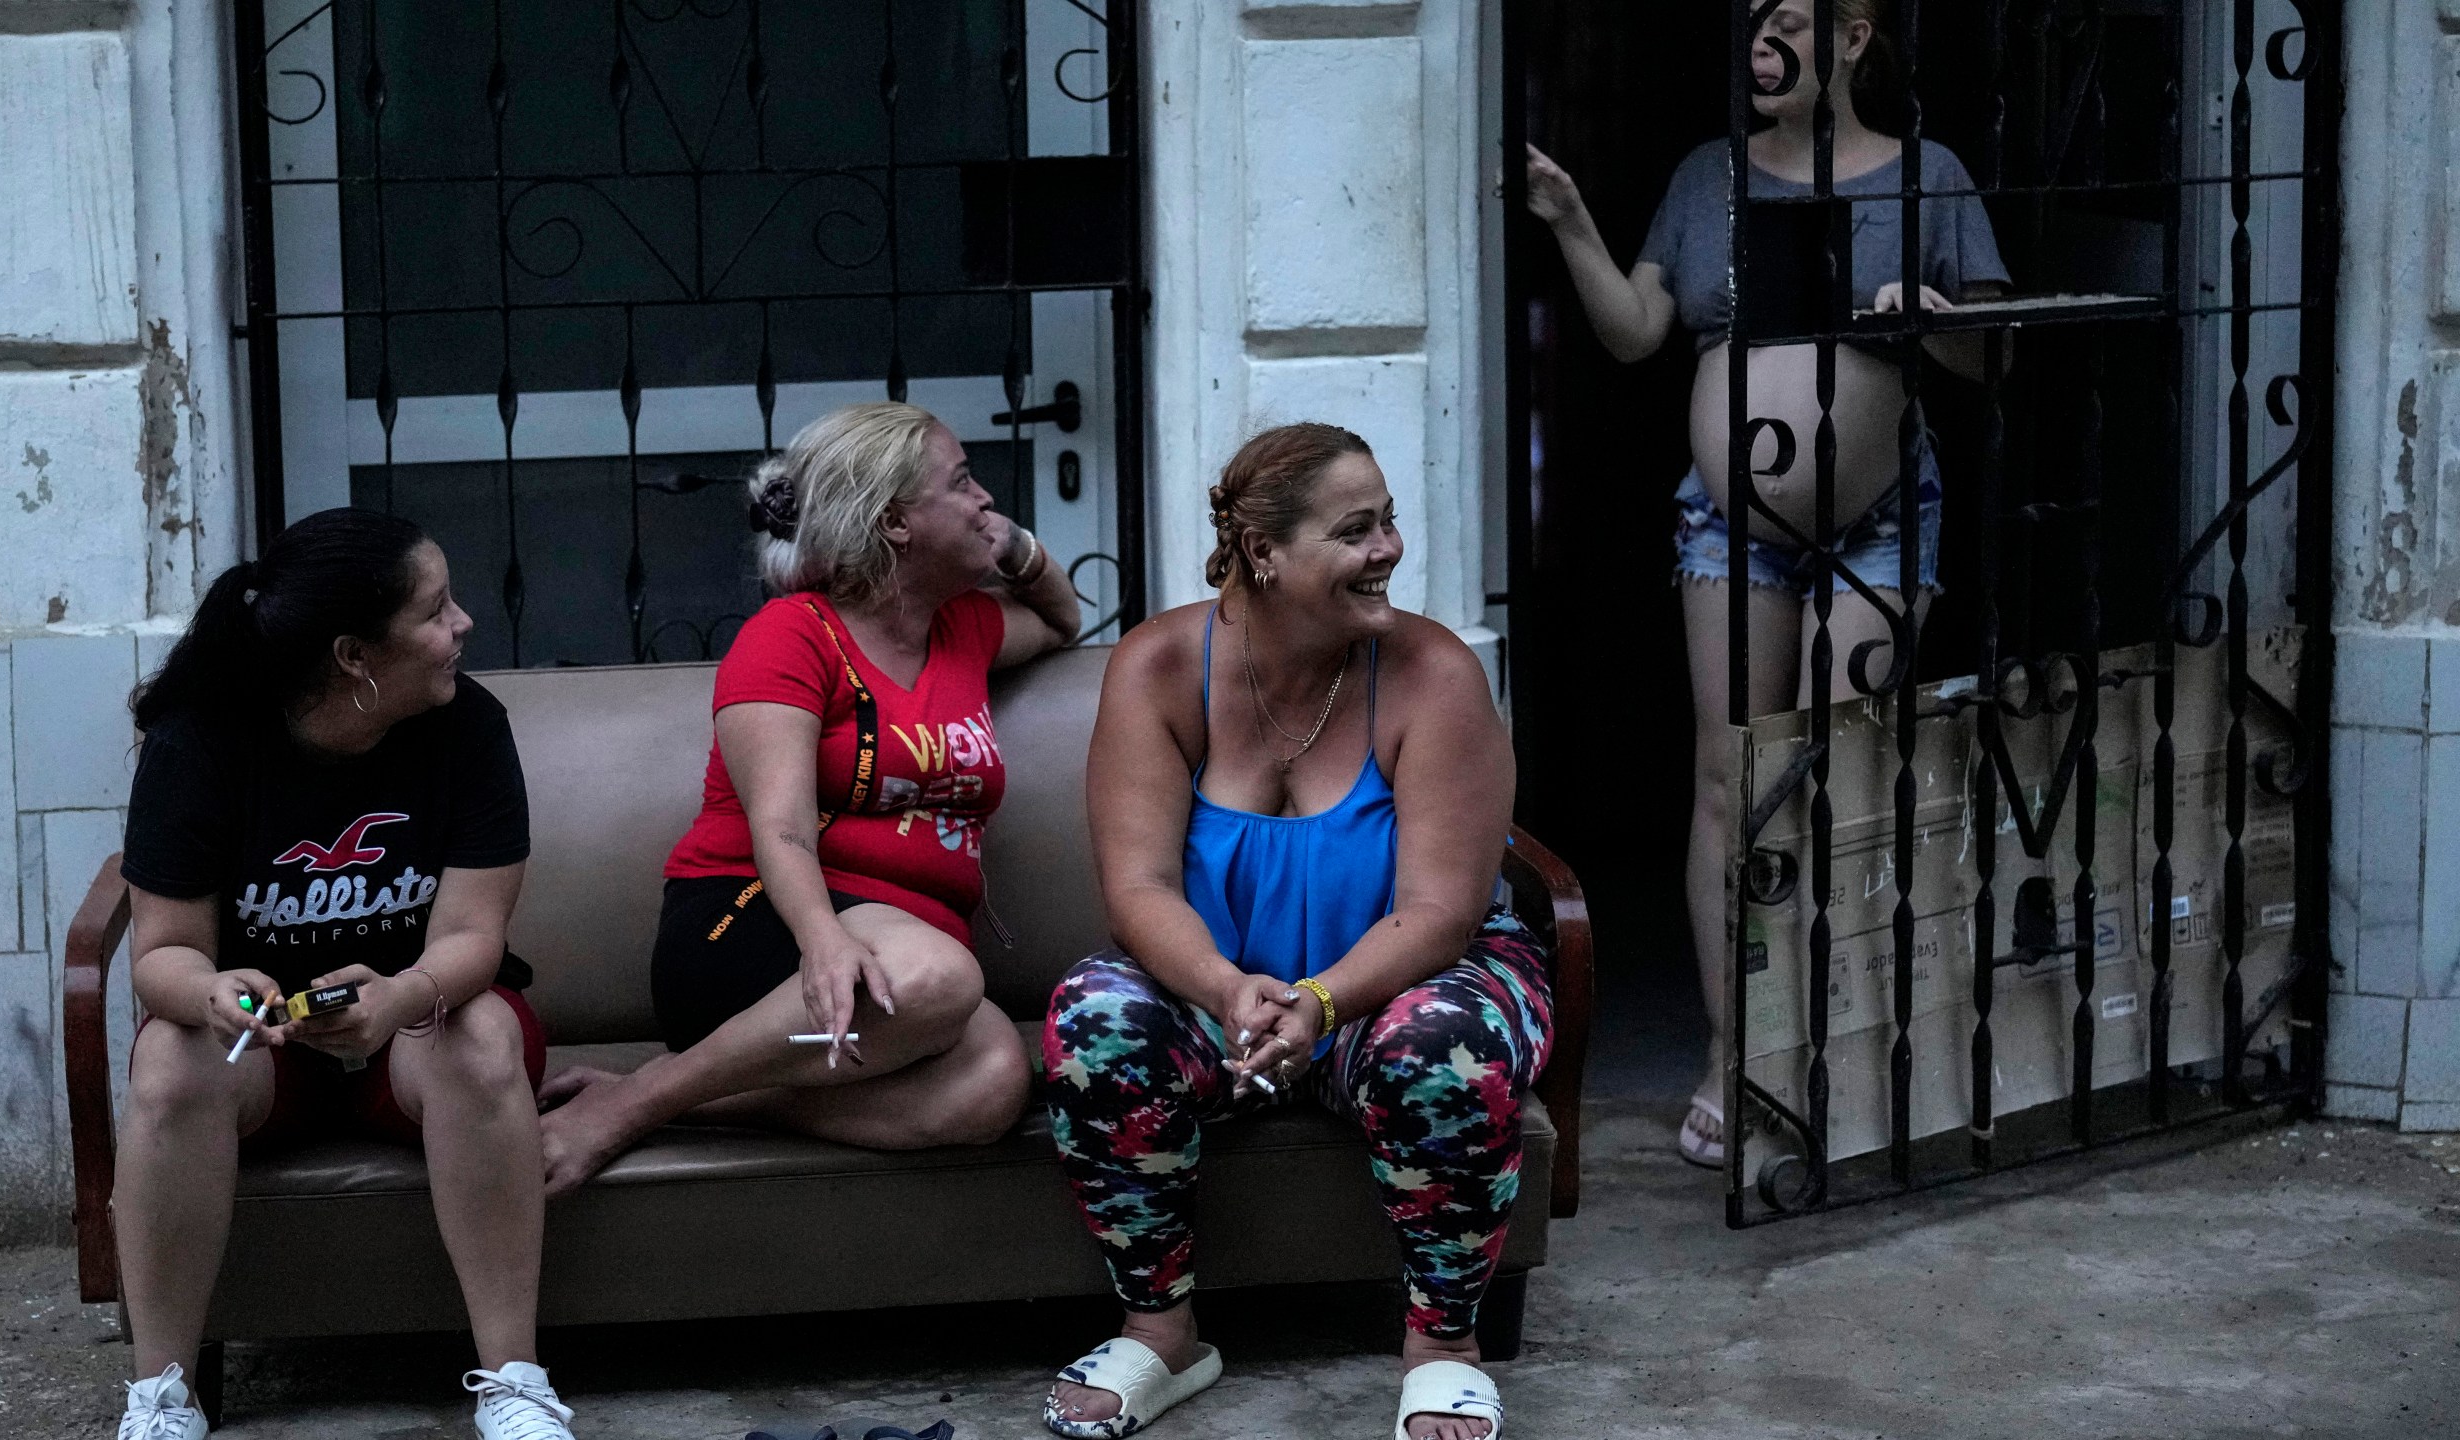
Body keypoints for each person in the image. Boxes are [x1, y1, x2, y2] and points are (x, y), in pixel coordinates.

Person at [1526, 0, 2007, 1167]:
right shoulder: (1710, 178)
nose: (1758, 44)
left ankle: (1836, 1048)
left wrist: (1932, 321)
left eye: (1787, 21)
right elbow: (1640, 332)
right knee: (1731, 779)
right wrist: (1571, 219)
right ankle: (1734, 1050)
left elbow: (1994, 355)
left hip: (1880, 522)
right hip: (1730, 530)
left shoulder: (1924, 175)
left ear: (1851, 39)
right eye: (1748, 23)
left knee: (1840, 774)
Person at [1040, 424, 1552, 1440]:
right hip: (1223, 984)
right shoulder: (1157, 669)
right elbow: (1137, 888)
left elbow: (1440, 914)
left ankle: (1444, 1345)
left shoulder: (1433, 676)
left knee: (1436, 1048)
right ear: (1264, 555)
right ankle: (1162, 1332)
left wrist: (1319, 1002)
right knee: (1093, 1015)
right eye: (1356, 529)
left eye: (1390, 521)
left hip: (1404, 977)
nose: (1390, 550)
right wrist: (1231, 989)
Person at [535, 402, 1082, 1191]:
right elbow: (781, 826)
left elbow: (1060, 621)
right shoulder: (793, 634)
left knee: (991, 1085)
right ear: (895, 523)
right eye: (962, 483)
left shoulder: (964, 629)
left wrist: (1018, 549)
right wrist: (825, 940)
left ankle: (698, 1100)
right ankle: (631, 1107)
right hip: (755, 927)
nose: (984, 500)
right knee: (944, 978)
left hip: (899, 966)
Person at [112, 509, 571, 1440]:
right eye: (437, 612)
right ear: (356, 655)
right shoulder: (201, 741)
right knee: (169, 1058)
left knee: (477, 1030)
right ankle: (163, 1399)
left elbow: (475, 935)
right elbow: (160, 955)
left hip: (412, 1039)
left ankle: (515, 1384)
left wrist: (401, 996)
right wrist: (214, 992)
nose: (464, 626)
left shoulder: (470, 727)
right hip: (263, 1052)